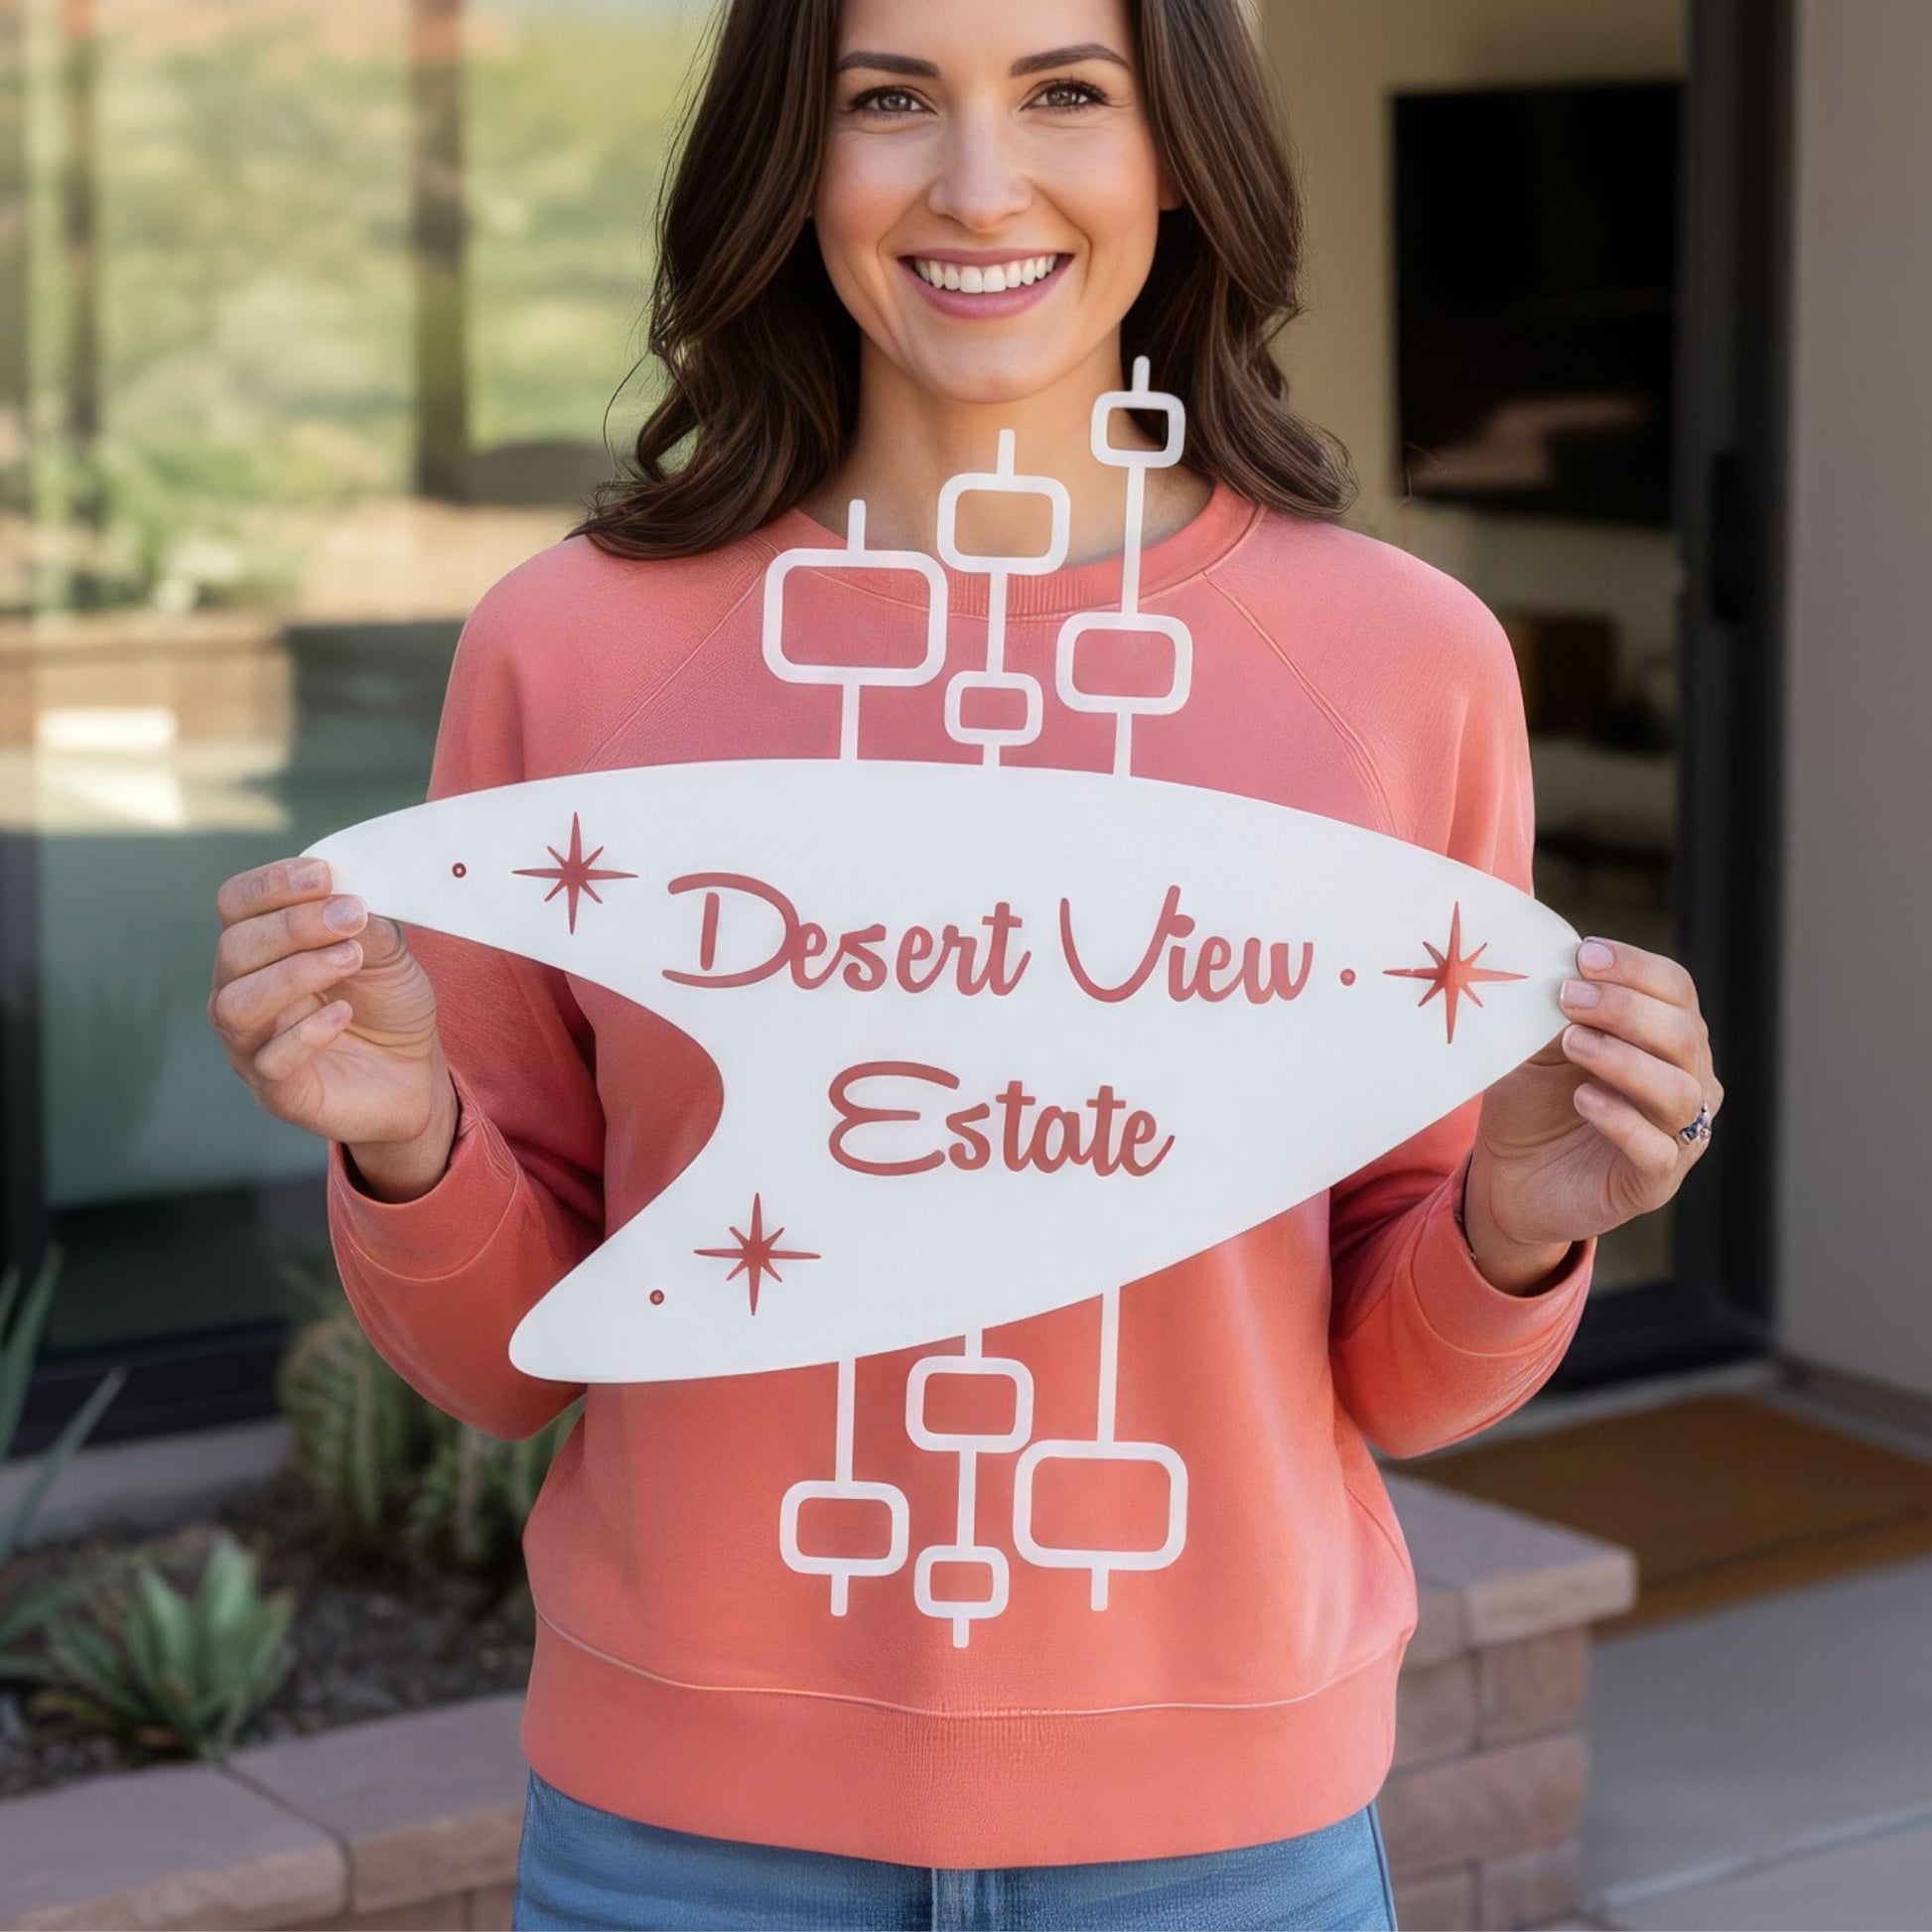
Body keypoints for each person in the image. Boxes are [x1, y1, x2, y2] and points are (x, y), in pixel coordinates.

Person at [207, 0, 1724, 1924]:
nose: (978, 183)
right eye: (890, 98)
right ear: (790, 149)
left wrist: (1520, 1222)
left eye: (1067, 93)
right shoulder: (570, 648)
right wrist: (407, 1132)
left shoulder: (1401, 669)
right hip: (685, 1842)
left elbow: (1393, 1372)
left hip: (1219, 1847)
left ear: (1179, 150)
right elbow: (514, 1367)